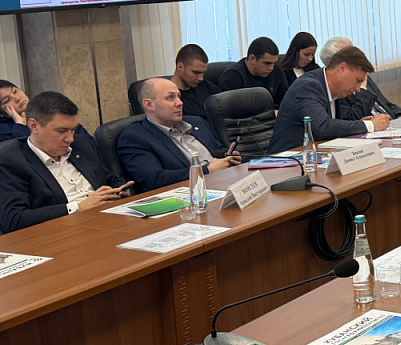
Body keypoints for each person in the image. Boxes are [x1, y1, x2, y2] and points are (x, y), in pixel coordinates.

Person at [0, 92, 129, 233]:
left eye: (73, 130)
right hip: (61, 232)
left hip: (107, 220)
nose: (70, 139)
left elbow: (109, 180)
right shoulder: (11, 161)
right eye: (61, 131)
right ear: (34, 126)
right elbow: (14, 219)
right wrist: (78, 207)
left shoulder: (82, 143)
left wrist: (120, 190)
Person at [117, 78, 241, 192]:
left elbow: (217, 151)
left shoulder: (196, 122)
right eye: (170, 98)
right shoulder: (134, 137)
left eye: (179, 96)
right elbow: (154, 180)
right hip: (189, 197)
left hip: (225, 184)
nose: (180, 102)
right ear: (149, 105)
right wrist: (206, 170)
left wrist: (228, 158)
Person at [268, 45, 390, 152]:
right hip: (286, 162)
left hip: (315, 156)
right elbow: (323, 127)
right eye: (358, 81)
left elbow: (333, 127)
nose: (358, 89)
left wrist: (358, 125)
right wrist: (369, 125)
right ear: (342, 68)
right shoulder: (308, 86)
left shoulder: (335, 90)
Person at [320, 35, 401, 119]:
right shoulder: (336, 91)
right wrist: (362, 89)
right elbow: (351, 119)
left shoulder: (363, 77)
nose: (357, 58)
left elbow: (386, 104)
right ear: (330, 63)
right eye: (349, 56)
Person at [218, 36, 290, 108]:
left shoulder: (276, 70)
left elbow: (286, 100)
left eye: (274, 63)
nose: (271, 68)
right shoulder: (232, 76)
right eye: (267, 63)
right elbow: (231, 110)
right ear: (252, 58)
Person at [170, 43, 221, 120]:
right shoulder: (170, 98)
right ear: (180, 67)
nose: (201, 78)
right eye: (196, 73)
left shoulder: (205, 86)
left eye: (203, 73)